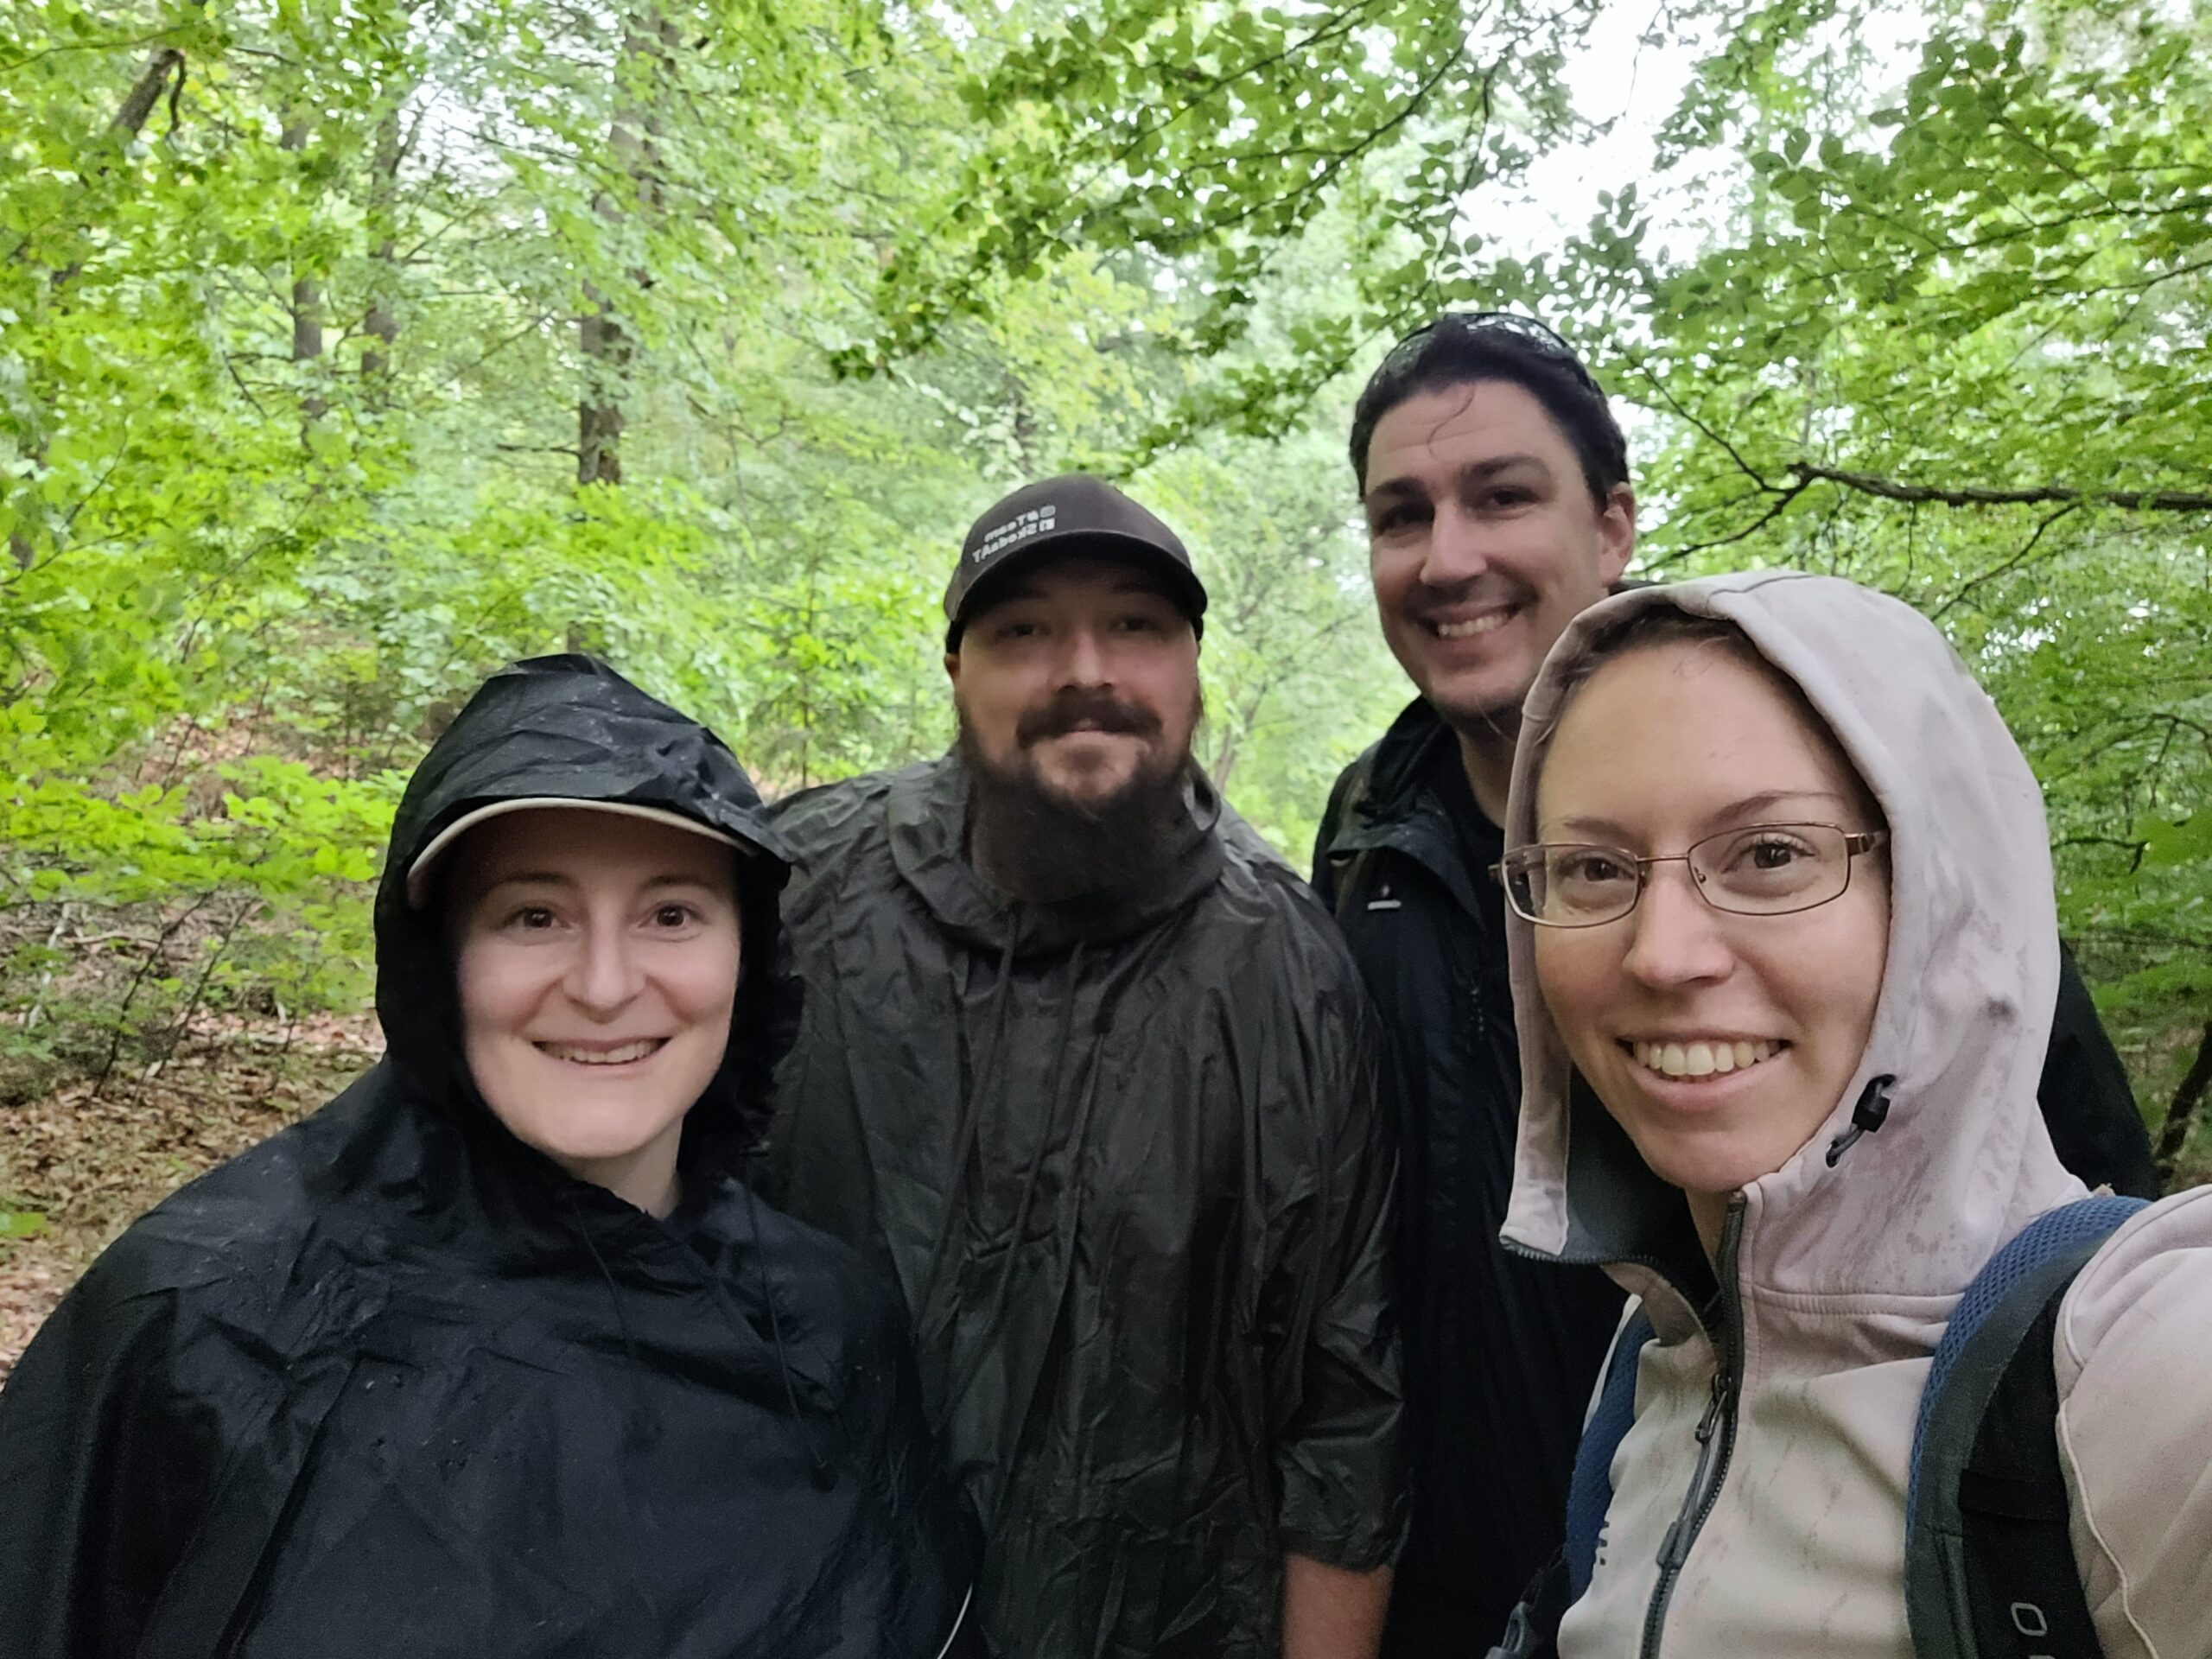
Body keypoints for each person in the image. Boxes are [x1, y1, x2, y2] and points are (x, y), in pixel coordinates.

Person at [1311, 311, 2161, 1654]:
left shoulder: (1846, 770)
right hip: (1539, 1541)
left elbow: (2074, 1203)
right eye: (1400, 514)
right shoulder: (1368, 843)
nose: (1448, 555)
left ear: (1614, 525)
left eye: (1502, 496)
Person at [0, 654, 976, 1659]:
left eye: (671, 914)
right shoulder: (206, 1319)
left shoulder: (825, 1317)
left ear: (747, 956)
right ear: (443, 959)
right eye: (533, 916)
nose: (604, 985)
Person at [1494, 571, 2211, 1656]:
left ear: (1940, 899)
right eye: (1595, 868)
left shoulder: (2140, 1371)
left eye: (1771, 855)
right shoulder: (1654, 1350)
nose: (1661, 953)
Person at [761, 474, 1406, 1659]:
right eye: (1023, 633)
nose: (1084, 672)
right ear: (956, 669)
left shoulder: (1288, 973)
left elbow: (1348, 1403)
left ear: (1193, 667)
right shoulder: (799, 898)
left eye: (1134, 627)